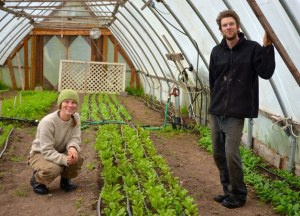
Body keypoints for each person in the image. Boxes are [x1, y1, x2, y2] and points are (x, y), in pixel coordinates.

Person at [208, 10, 275, 208]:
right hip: (217, 110)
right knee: (218, 153)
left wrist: (267, 47)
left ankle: (239, 194)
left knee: (231, 153)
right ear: (220, 29)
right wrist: (215, 102)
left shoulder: (252, 49)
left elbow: (266, 72)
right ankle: (227, 189)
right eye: (224, 25)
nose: (228, 27)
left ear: (238, 26)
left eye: (231, 24)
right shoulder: (216, 52)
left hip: (235, 113)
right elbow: (213, 80)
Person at [28, 89, 83, 195]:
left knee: (76, 158)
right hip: (40, 154)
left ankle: (65, 181)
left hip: (59, 150)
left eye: (73, 102)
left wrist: (72, 147)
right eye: (66, 102)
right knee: (54, 169)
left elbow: (75, 137)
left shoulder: (76, 117)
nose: (70, 105)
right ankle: (37, 181)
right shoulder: (48, 122)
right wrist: (64, 159)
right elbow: (47, 150)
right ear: (60, 104)